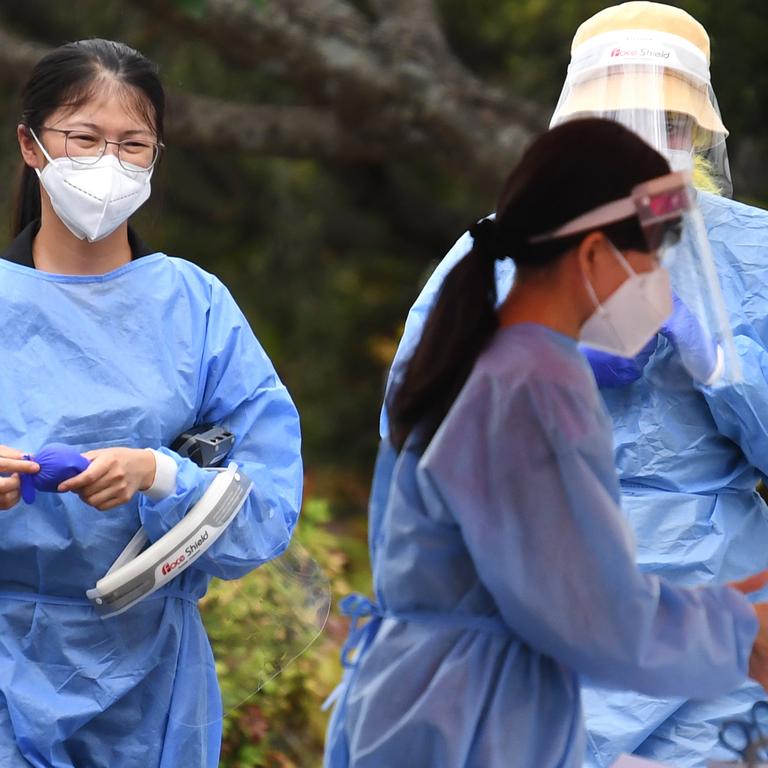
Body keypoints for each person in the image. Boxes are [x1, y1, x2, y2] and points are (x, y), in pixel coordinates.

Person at [376, 4, 768, 766]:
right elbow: (416, 430)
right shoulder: (495, 251)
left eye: (667, 124)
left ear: (695, 133)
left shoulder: (751, 253)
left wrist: (719, 364)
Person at [0, 39, 302, 767]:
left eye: (132, 144)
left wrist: (159, 475)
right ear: (32, 145)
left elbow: (266, 508)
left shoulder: (194, 307)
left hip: (152, 682)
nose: (109, 164)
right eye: (85, 139)